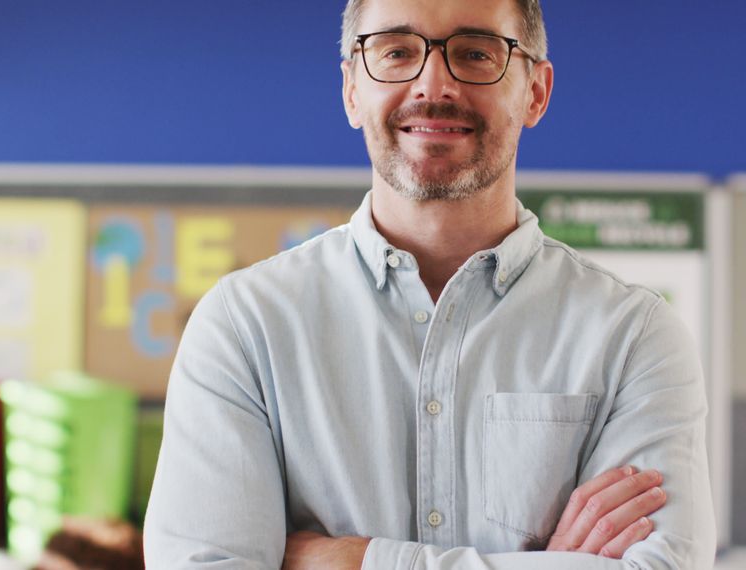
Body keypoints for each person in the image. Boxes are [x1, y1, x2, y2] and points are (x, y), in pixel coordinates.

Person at [143, 0, 716, 568]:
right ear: (351, 89)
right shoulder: (246, 326)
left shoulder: (634, 337)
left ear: (535, 92)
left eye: (474, 53)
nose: (433, 85)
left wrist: (355, 561)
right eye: (396, 52)